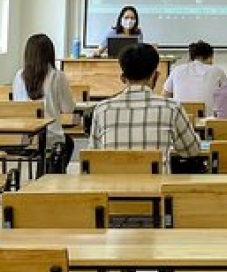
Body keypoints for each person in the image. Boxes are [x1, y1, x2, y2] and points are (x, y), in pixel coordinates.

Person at [89, 43, 203, 171]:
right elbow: (192, 150)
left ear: (122, 78)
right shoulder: (172, 108)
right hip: (156, 189)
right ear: (156, 75)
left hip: (113, 189)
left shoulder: (102, 109)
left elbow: (93, 155)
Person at [12, 34, 76, 172]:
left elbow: (16, 105)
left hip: (22, 137)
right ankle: (50, 175)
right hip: (49, 137)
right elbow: (68, 108)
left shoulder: (19, 76)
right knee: (68, 142)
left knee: (65, 142)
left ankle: (44, 173)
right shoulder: (57, 76)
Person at [162, 39, 227, 115]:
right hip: (207, 122)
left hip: (180, 119)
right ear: (210, 57)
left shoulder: (177, 70)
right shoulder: (217, 71)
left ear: (191, 57)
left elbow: (165, 96)